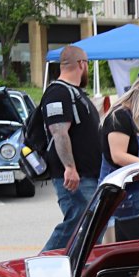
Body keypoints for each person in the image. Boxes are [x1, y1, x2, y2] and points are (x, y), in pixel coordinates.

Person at [40, 43, 102, 251]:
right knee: (78, 221)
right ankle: (41, 266)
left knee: (91, 227)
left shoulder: (75, 93)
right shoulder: (58, 93)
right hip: (75, 177)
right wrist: (70, 167)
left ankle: (81, 272)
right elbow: (59, 132)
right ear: (82, 64)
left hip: (87, 175)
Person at [98, 73, 139, 243]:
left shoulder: (137, 118)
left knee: (127, 248)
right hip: (122, 193)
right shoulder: (119, 117)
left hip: (133, 192)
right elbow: (118, 155)